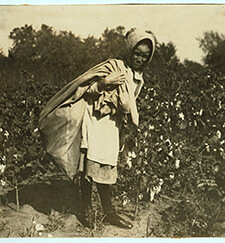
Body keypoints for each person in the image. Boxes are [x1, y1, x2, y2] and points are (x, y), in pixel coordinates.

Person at [39, 28, 156, 229]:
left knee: (107, 166)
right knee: (89, 167)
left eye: (145, 56)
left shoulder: (138, 78)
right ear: (129, 50)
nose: (140, 58)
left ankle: (108, 212)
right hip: (94, 120)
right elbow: (84, 91)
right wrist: (103, 83)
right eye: (137, 53)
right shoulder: (113, 67)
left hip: (112, 125)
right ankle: (86, 210)